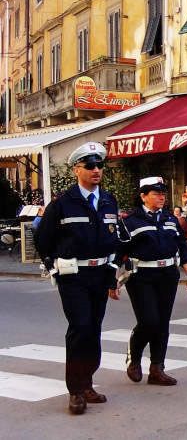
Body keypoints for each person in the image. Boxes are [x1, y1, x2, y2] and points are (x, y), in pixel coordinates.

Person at [35, 142, 120, 415]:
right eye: (90, 166)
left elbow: (113, 238)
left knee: (94, 329)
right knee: (80, 327)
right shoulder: (62, 204)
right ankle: (75, 391)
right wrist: (53, 268)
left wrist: (112, 271)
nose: (97, 170)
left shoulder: (108, 200)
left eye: (99, 165)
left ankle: (88, 383)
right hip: (74, 276)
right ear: (76, 170)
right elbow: (43, 239)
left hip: (100, 273)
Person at [117, 177, 187, 386]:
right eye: (155, 193)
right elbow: (118, 252)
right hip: (141, 276)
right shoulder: (130, 221)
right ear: (143, 196)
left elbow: (182, 248)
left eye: (163, 193)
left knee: (162, 323)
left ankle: (157, 368)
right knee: (149, 321)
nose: (161, 197)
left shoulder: (170, 219)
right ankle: (134, 357)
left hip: (167, 275)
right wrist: (112, 281)